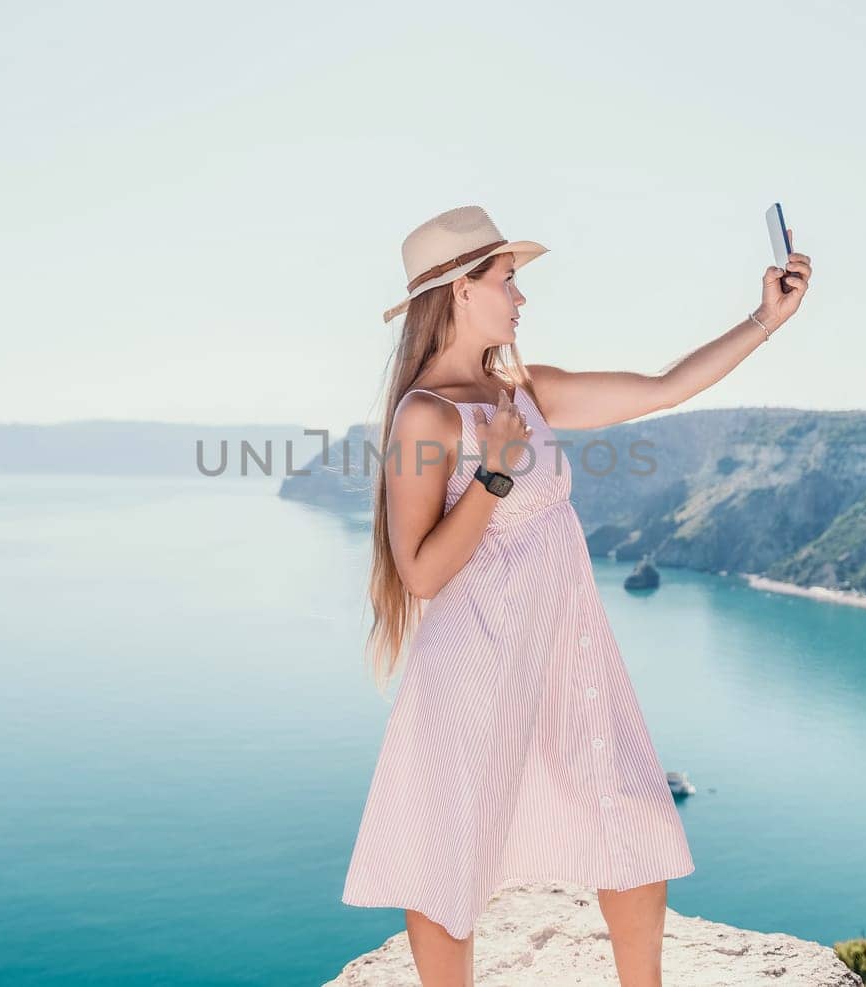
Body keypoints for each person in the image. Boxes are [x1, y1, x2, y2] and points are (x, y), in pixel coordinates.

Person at [341, 204, 812, 987]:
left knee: (631, 820)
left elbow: (665, 389)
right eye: (508, 279)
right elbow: (420, 571)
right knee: (449, 861)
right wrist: (493, 474)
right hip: (476, 666)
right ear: (460, 290)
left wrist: (764, 320)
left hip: (568, 652)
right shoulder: (425, 415)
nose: (522, 297)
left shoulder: (524, 392)